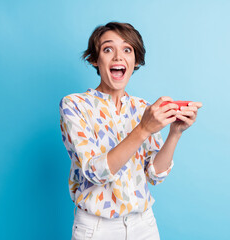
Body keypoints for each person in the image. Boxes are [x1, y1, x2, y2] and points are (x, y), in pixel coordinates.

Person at [59, 22, 202, 240]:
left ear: (135, 61)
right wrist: (144, 128)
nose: (118, 57)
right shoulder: (75, 105)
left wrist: (175, 133)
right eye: (108, 49)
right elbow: (94, 172)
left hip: (143, 225)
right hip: (97, 229)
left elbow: (154, 175)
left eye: (127, 49)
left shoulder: (143, 108)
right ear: (94, 59)